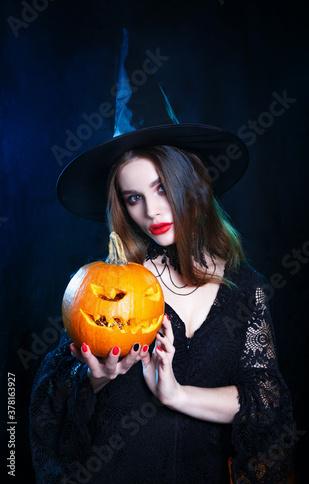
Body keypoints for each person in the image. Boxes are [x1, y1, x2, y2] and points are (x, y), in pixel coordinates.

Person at [29, 124, 294, 483]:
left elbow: (264, 399)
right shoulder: (112, 289)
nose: (151, 211)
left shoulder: (246, 287)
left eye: (162, 188)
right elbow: (51, 398)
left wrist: (177, 395)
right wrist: (94, 377)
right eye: (133, 198)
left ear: (194, 185)